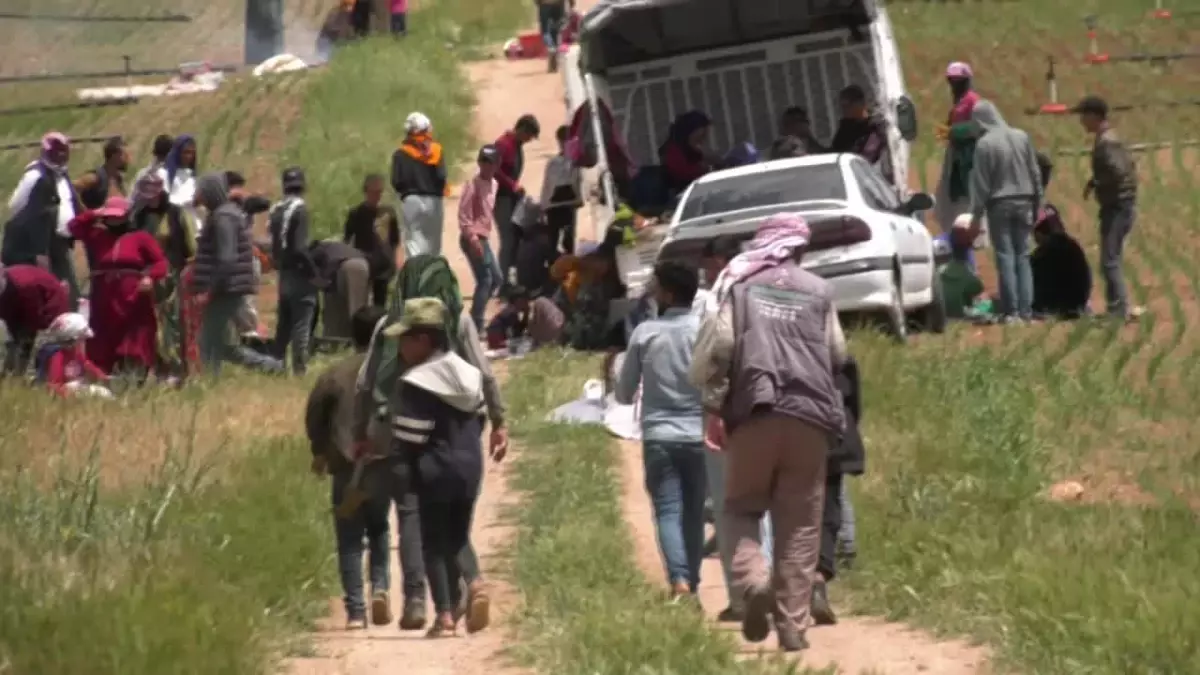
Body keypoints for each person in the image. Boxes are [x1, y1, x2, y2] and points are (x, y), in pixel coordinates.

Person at [690, 212, 848, 652]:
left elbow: (717, 352)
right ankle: (793, 626)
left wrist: (713, 410)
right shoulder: (821, 291)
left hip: (754, 413)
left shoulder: (739, 291)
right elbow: (837, 351)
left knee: (740, 507)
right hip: (811, 418)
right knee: (799, 524)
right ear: (801, 250)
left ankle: (754, 582)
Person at [354, 255, 509, 632]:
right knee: (453, 526)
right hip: (462, 438)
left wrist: (362, 431)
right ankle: (462, 591)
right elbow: (485, 376)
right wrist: (499, 421)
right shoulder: (461, 321)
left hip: (404, 433)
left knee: (414, 517)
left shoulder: (389, 324)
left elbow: (365, 383)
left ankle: (419, 601)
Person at [378, 297, 487, 637]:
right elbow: (480, 418)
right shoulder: (469, 373)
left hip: (435, 467)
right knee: (458, 534)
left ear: (423, 340)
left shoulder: (417, 381)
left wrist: (401, 463)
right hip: (470, 465)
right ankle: (475, 582)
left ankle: (444, 616)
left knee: (433, 542)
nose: (401, 348)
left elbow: (412, 435)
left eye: (405, 339)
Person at [614, 261, 707, 602]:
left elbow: (624, 393)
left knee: (668, 509)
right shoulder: (704, 330)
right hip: (699, 434)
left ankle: (679, 582)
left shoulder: (645, 334)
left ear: (668, 293)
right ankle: (693, 583)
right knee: (694, 513)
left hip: (659, 436)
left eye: (655, 288)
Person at [695, 235, 774, 622]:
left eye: (712, 264)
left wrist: (711, 406)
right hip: (772, 412)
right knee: (769, 505)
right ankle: (774, 584)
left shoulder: (716, 302)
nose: (708, 272)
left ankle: (745, 595)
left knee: (732, 507)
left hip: (726, 417)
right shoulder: (777, 298)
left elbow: (706, 364)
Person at [307, 305, 393, 630]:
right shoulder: (392, 371)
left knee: (349, 538)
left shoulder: (335, 373)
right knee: (380, 527)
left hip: (344, 463)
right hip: (382, 463)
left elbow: (315, 414)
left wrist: (319, 450)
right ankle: (381, 588)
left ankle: (356, 611)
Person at [191, 173, 282, 376]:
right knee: (222, 346)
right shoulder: (226, 214)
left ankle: (210, 384)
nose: (198, 195)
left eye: (200, 191)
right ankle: (273, 367)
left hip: (225, 289)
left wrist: (210, 290)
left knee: (207, 343)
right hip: (228, 287)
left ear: (210, 193)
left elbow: (226, 258)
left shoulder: (223, 217)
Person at [69, 196, 168, 377]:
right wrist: (93, 213)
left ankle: (136, 372)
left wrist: (150, 278)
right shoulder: (97, 236)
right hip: (104, 294)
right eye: (110, 216)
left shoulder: (140, 238)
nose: (114, 220)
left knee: (134, 331)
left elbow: (160, 262)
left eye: (118, 216)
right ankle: (103, 373)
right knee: (103, 330)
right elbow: (74, 227)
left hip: (133, 294)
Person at [967, 100, 1043, 324]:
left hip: (999, 203)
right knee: (1023, 255)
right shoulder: (1021, 136)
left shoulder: (984, 144)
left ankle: (1012, 311)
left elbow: (981, 184)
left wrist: (975, 216)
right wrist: (1038, 202)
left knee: (1005, 256)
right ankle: (1026, 311)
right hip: (1025, 200)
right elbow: (1035, 172)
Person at [1075, 95, 1141, 321]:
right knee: (1110, 259)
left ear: (1094, 116)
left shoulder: (1107, 141)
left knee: (1109, 261)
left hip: (1118, 206)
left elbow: (1120, 172)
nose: (1081, 121)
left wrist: (1102, 184)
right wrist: (1095, 182)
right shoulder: (1106, 138)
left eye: (1083, 116)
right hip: (1118, 204)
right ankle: (1116, 308)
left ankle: (1120, 309)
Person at [812, 356, 866, 626]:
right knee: (830, 512)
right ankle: (820, 576)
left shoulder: (785, 349)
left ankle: (789, 589)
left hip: (793, 437)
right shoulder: (842, 358)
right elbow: (855, 406)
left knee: (791, 512)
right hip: (835, 439)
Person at [5, 132, 81, 308]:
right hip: (43, 243)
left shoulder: (62, 174)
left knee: (67, 287)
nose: (62, 154)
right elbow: (17, 205)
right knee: (51, 287)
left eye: (64, 149)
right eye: (57, 150)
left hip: (61, 240)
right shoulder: (35, 175)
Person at [130, 174, 195, 379]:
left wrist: (188, 269)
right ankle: (156, 367)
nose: (149, 199)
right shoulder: (138, 215)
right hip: (146, 278)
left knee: (173, 326)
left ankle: (177, 369)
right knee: (149, 324)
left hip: (172, 276)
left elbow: (191, 245)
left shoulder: (175, 214)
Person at [269, 167, 317, 375]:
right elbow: (299, 248)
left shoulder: (277, 209)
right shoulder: (300, 209)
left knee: (284, 324)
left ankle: (275, 364)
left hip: (284, 273)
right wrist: (315, 272)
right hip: (298, 273)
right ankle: (299, 369)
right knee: (301, 325)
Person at [391, 112, 448, 259]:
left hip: (411, 201)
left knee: (414, 245)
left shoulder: (400, 154)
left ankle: (416, 278)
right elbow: (442, 177)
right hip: (434, 200)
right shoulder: (436, 151)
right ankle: (433, 277)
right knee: (434, 246)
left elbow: (397, 182)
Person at [459, 145, 503, 332]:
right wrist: (473, 238)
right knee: (485, 279)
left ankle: (476, 314)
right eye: (483, 161)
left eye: (490, 162)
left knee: (497, 279)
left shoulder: (494, 184)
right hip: (473, 238)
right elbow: (464, 215)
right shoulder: (473, 185)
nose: (486, 166)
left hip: (484, 237)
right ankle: (476, 323)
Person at [935, 61, 982, 233]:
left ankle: (970, 232)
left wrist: (954, 131)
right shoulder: (959, 102)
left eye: (958, 81)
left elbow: (977, 127)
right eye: (952, 81)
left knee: (968, 197)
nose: (954, 85)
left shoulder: (973, 100)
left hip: (969, 157)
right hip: (956, 156)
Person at [494, 114, 541, 285]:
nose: (529, 140)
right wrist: (512, 185)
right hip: (501, 198)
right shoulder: (503, 145)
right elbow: (494, 170)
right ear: (522, 129)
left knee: (516, 238)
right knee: (507, 240)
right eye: (529, 136)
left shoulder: (516, 145)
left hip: (512, 197)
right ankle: (502, 281)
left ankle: (513, 279)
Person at [0, 263, 69, 375]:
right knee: (15, 340)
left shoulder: (24, 286)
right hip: (20, 302)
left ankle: (42, 373)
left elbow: (33, 320)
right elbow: (8, 315)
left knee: (40, 342)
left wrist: (24, 343)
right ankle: (11, 371)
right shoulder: (6, 291)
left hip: (49, 300)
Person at [343, 173, 401, 308]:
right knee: (361, 304)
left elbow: (395, 239)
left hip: (383, 265)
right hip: (364, 263)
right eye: (373, 192)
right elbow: (347, 239)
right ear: (366, 192)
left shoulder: (388, 212)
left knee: (380, 304)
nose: (377, 196)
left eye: (379, 192)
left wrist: (396, 259)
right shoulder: (356, 214)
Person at [33, 312, 112, 399]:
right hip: (67, 391)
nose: (83, 341)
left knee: (104, 392)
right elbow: (53, 384)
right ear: (73, 339)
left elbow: (86, 364)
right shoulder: (57, 357)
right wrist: (68, 395)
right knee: (103, 393)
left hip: (76, 386)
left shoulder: (76, 351)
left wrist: (101, 375)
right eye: (81, 338)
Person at [1031, 206, 1092, 319]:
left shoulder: (1045, 253)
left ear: (1039, 233)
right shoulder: (1073, 246)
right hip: (1078, 302)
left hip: (1056, 305)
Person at [309, 240, 370, 341]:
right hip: (364, 264)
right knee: (359, 309)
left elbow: (315, 296)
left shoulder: (312, 254)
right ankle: (361, 341)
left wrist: (310, 332)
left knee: (333, 306)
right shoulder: (334, 246)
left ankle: (335, 338)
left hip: (344, 267)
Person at [830, 85, 892, 184]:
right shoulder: (845, 128)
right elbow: (835, 153)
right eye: (842, 107)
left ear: (860, 103)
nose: (844, 110)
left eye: (847, 105)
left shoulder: (877, 124)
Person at [540, 124, 582, 254]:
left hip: (563, 206)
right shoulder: (558, 163)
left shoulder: (574, 162)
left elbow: (547, 186)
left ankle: (561, 267)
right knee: (558, 242)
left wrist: (544, 205)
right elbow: (548, 185)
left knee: (564, 241)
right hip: (559, 207)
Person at [659, 110, 714, 194]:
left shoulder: (695, 150)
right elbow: (682, 174)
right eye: (701, 136)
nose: (703, 139)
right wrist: (704, 169)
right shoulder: (673, 150)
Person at [75, 136, 129, 210]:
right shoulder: (95, 177)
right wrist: (85, 213)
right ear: (114, 156)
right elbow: (72, 189)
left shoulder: (118, 180)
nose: (127, 160)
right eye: (125, 155)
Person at [164, 134, 200, 232]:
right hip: (174, 220)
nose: (189, 156)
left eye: (192, 153)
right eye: (186, 152)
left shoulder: (192, 176)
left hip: (192, 221)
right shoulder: (167, 174)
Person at [535, 0, 572, 72]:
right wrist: (571, 3)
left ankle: (551, 48)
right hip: (558, 4)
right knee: (556, 31)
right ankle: (555, 61)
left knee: (545, 31)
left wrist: (538, 3)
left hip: (544, 4)